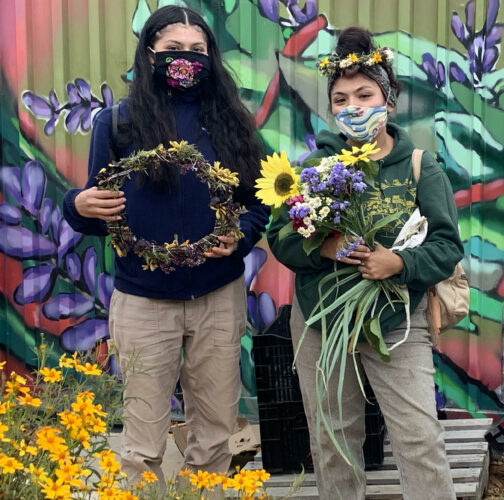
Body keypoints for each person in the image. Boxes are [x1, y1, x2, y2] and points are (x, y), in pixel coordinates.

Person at [62, 5, 270, 486]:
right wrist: (78, 205)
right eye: (173, 49)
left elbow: (259, 203)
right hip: (142, 302)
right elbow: (99, 215)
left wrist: (242, 238)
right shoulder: (117, 124)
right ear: (150, 52)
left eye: (197, 50)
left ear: (211, 57)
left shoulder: (234, 124)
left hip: (217, 299)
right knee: (139, 445)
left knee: (215, 437)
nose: (186, 59)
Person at [267, 26, 462, 500]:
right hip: (321, 324)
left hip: (398, 323)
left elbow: (446, 246)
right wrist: (325, 247)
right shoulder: (317, 168)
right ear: (330, 108)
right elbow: (280, 237)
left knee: (419, 440)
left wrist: (398, 262)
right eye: (340, 99)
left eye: (364, 94)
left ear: (388, 100)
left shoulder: (420, 165)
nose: (352, 107)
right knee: (333, 443)